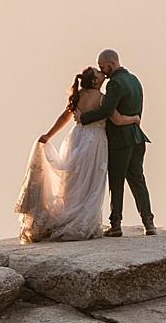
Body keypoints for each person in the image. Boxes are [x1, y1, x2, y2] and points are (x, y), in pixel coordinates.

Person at [17, 67, 111, 242]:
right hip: (95, 141)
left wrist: (49, 135)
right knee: (90, 181)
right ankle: (82, 220)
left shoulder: (78, 95)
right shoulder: (102, 98)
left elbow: (63, 118)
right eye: (99, 73)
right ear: (94, 81)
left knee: (73, 180)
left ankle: (71, 212)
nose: (102, 73)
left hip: (76, 137)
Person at [96, 48, 155, 236]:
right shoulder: (134, 80)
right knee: (138, 180)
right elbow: (138, 110)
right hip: (137, 137)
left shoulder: (115, 84)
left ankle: (115, 224)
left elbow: (106, 110)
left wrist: (83, 117)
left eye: (102, 67)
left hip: (120, 139)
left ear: (112, 64)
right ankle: (149, 222)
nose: (102, 72)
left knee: (117, 181)